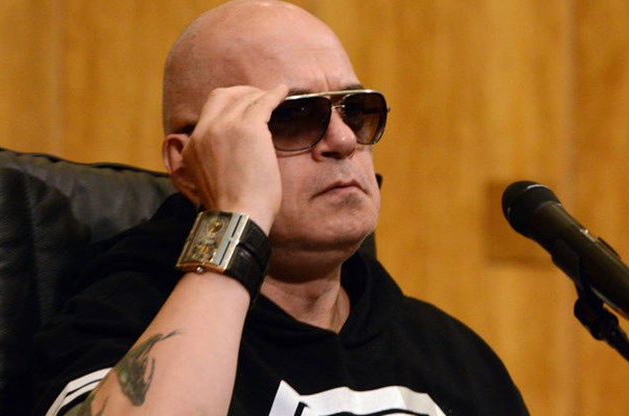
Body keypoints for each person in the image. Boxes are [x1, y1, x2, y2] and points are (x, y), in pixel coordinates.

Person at [32, 1, 529, 415]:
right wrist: (239, 214)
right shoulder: (124, 319)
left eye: (356, 111)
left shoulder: (450, 355)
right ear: (187, 163)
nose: (343, 140)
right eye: (292, 117)